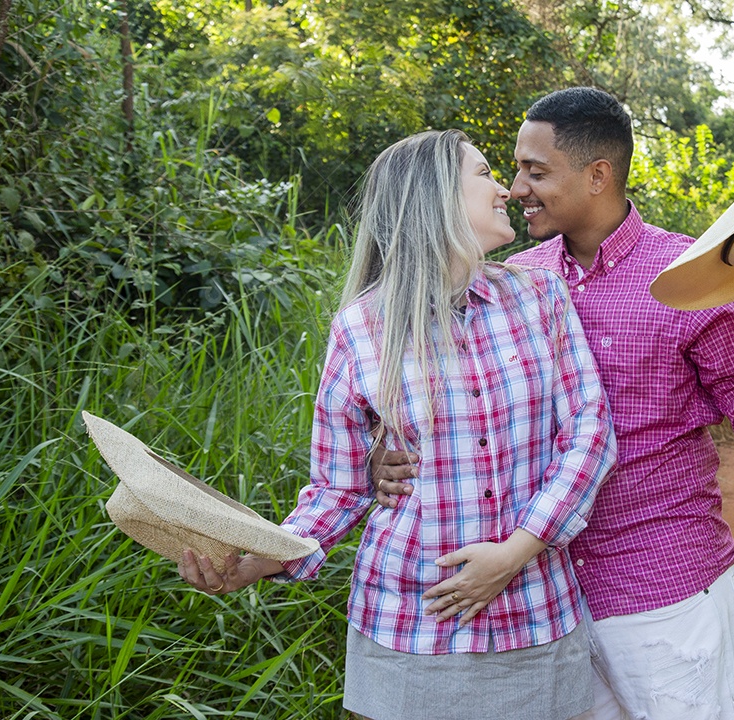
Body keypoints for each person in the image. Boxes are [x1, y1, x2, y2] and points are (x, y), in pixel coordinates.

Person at [372, 88, 734, 720]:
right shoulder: (516, 281)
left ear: (598, 175)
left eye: (536, 172)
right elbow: (463, 408)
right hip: (545, 603)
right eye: (513, 170)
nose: (516, 188)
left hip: (664, 590)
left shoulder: (690, 279)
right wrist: (388, 454)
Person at [177, 129, 617, 720]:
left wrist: (516, 551)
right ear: (434, 197)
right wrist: (257, 560)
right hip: (408, 626)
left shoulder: (540, 296)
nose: (505, 191)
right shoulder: (360, 328)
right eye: (484, 174)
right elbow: (338, 485)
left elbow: (589, 432)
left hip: (534, 616)